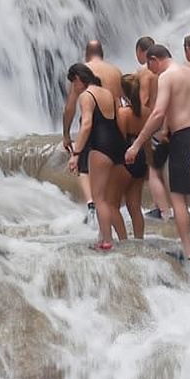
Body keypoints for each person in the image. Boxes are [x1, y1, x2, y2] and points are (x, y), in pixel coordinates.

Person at [126, 44, 190, 258]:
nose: (151, 71)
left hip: (183, 137)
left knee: (178, 197)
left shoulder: (167, 76)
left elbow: (158, 112)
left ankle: (189, 251)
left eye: (150, 66)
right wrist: (165, 129)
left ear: (154, 59)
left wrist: (137, 144)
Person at [67, 63, 127, 251]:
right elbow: (119, 117)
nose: (74, 88)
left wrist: (76, 153)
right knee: (108, 199)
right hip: (116, 144)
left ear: (79, 79)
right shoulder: (107, 93)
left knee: (99, 198)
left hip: (100, 146)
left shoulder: (86, 96)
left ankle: (106, 241)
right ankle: (109, 237)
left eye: (73, 83)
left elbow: (86, 125)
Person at [63, 40, 125, 219]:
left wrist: (66, 134)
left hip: (93, 128)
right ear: (102, 53)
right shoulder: (115, 71)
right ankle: (109, 210)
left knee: (83, 168)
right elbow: (122, 103)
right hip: (113, 125)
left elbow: (70, 107)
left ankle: (91, 204)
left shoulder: (83, 73)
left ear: (86, 53)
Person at [133, 36, 172, 221]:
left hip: (154, 123)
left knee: (153, 168)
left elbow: (143, 102)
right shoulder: (166, 73)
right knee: (165, 166)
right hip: (168, 122)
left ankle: (162, 209)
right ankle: (170, 205)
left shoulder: (145, 73)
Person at [118, 73, 148, 240]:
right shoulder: (147, 112)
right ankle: (139, 239)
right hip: (142, 156)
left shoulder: (123, 113)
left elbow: (121, 139)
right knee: (135, 206)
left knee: (111, 202)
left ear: (123, 91)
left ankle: (121, 239)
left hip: (128, 156)